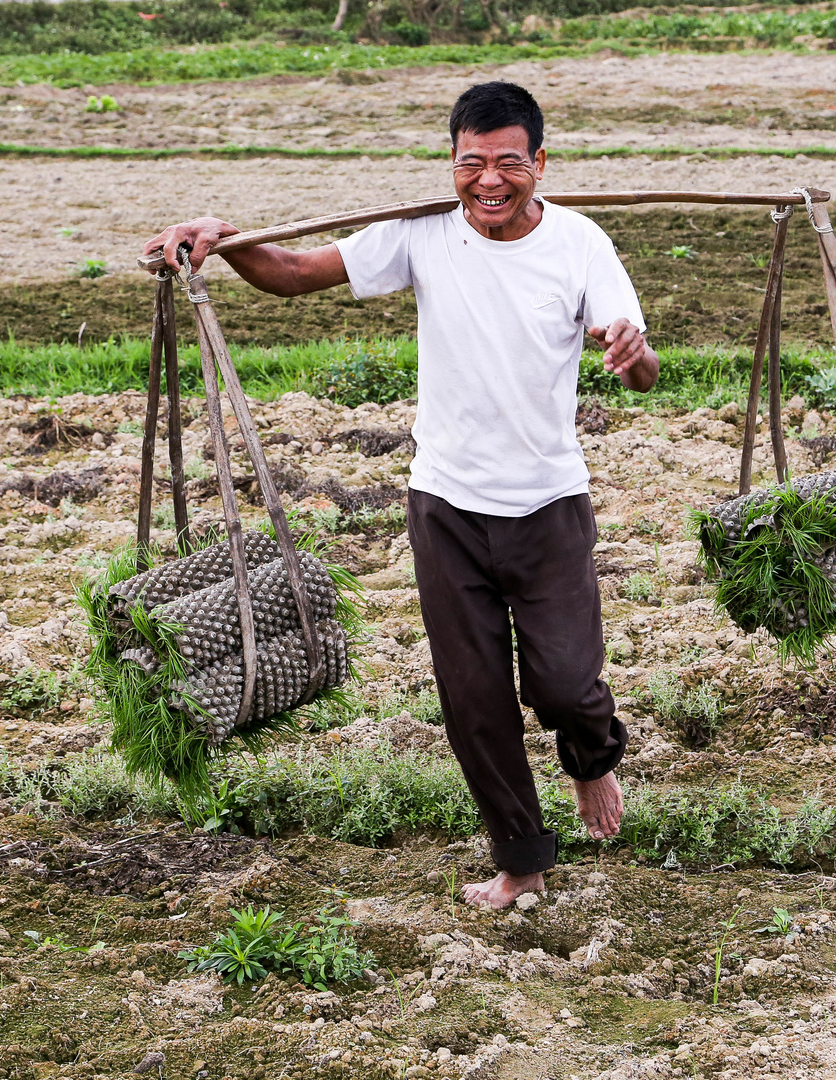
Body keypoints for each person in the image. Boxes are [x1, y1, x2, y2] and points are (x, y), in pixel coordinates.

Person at [144, 81, 658, 909]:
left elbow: (640, 371)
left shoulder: (580, 244)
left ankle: (591, 758)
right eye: (471, 163)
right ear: (451, 162)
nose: (489, 182)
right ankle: (520, 861)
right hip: (446, 505)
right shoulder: (420, 231)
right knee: (474, 697)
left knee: (565, 683)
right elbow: (295, 271)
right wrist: (225, 241)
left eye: (508, 165)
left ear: (540, 164)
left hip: (548, 504)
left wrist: (629, 349)